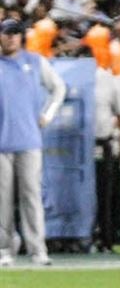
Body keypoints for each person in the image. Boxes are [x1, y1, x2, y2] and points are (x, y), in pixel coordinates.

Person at [0, 18, 65, 267]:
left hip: (29, 139)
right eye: (7, 33)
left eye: (15, 34)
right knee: (2, 200)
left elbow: (59, 88)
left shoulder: (35, 61)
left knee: (32, 196)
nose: (11, 38)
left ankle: (38, 249)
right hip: (2, 141)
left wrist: (47, 115)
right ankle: (5, 249)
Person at [91, 45, 120, 253]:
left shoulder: (107, 80)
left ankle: (106, 239)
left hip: (103, 143)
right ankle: (79, 237)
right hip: (75, 147)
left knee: (106, 194)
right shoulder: (70, 79)